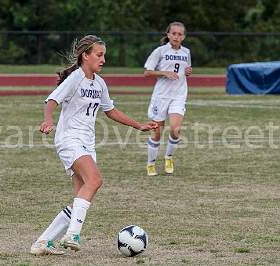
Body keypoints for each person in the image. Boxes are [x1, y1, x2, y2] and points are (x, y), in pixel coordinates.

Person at [30, 35, 157, 255]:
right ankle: (73, 234)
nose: (103, 59)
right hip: (69, 139)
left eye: (104, 55)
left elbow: (110, 111)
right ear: (85, 56)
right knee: (95, 180)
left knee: (81, 196)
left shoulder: (99, 83)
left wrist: (138, 125)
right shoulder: (75, 79)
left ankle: (42, 242)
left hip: (87, 143)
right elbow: (52, 100)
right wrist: (49, 120)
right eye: (99, 55)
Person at [144, 21, 192, 176]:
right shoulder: (160, 51)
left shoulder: (186, 52)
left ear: (183, 36)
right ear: (168, 34)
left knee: (175, 129)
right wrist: (164, 73)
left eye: (179, 34)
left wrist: (188, 71)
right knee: (157, 133)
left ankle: (169, 157)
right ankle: (151, 164)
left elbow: (185, 70)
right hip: (161, 96)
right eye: (174, 33)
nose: (176, 36)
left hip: (179, 95)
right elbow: (147, 72)